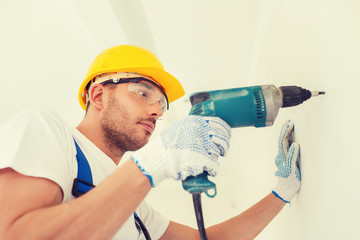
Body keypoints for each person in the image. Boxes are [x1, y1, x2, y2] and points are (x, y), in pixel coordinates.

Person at [0, 45, 301, 240]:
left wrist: (281, 192)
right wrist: (151, 165)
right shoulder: (46, 130)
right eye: (142, 93)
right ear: (98, 95)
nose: (157, 110)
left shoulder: (134, 211)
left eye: (161, 103)